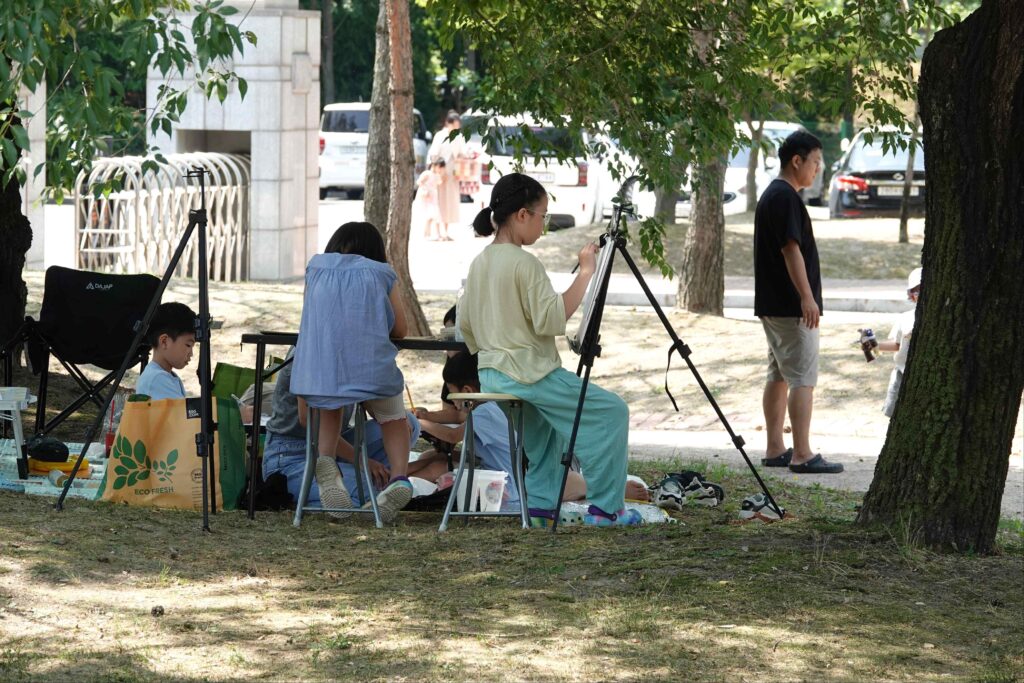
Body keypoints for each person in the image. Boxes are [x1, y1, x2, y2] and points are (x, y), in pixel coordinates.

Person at [459, 172, 642, 527]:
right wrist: (586, 273)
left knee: (543, 438)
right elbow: (552, 319)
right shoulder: (524, 262)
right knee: (611, 412)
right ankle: (606, 509)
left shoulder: (480, 262)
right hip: (527, 372)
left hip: (491, 372)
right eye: (543, 215)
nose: (544, 224)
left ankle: (541, 510)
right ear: (522, 215)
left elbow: (467, 327)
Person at [290, 222, 415, 523]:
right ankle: (399, 476)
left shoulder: (316, 268)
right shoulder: (381, 273)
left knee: (330, 400)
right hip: (372, 371)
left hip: (319, 371)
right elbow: (400, 328)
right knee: (394, 416)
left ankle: (326, 461)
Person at [754, 130, 843, 474]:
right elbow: (791, 249)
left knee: (778, 374)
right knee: (802, 378)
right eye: (817, 161)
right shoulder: (785, 197)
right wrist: (807, 298)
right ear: (797, 160)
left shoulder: (773, 196)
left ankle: (776, 447)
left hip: (774, 304)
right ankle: (802, 453)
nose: (819, 168)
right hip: (791, 307)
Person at [262, 348, 422, 508]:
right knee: (365, 493)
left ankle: (381, 481)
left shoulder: (354, 349)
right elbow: (311, 423)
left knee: (408, 423)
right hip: (293, 454)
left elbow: (382, 413)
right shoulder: (310, 350)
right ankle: (343, 489)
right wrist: (362, 460)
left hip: (336, 444)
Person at [870, 267, 922, 418]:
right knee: (895, 413)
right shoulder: (904, 318)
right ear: (911, 295)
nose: (920, 295)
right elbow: (896, 345)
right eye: (916, 291)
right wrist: (874, 345)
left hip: (922, 375)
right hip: (901, 373)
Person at [136, 302, 196, 400]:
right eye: (188, 345)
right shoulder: (157, 379)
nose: (191, 353)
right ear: (164, 341)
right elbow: (182, 415)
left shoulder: (166, 376)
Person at [426, 110, 465, 240]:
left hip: (453, 174)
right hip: (439, 174)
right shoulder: (440, 135)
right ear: (448, 124)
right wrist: (439, 172)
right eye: (454, 125)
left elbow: (460, 153)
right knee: (438, 202)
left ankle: (446, 232)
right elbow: (433, 155)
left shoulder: (458, 137)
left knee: (449, 203)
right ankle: (437, 232)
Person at [414, 158, 446, 241]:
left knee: (434, 216)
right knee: (431, 216)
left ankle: (432, 234)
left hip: (433, 197)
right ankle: (429, 234)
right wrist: (425, 190)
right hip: (427, 197)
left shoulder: (436, 175)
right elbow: (419, 182)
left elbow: (439, 182)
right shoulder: (427, 173)